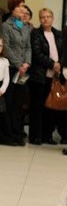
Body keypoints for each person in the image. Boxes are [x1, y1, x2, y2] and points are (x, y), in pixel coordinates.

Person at [0, 0, 31, 146]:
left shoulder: (24, 25)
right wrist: (19, 64)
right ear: (13, 9)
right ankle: (8, 133)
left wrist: (27, 63)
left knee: (19, 103)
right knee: (9, 103)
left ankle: (18, 132)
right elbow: (7, 48)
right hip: (11, 68)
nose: (23, 9)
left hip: (23, 69)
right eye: (20, 6)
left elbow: (28, 46)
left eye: (24, 6)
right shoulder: (6, 25)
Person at [28, 8, 63, 145]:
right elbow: (37, 53)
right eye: (43, 17)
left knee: (51, 107)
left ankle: (47, 135)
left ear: (53, 18)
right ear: (40, 19)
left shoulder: (58, 34)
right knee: (37, 107)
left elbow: (62, 51)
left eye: (48, 16)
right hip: (39, 75)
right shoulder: (35, 34)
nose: (46, 19)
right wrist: (52, 64)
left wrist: (59, 64)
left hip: (55, 76)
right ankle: (35, 136)